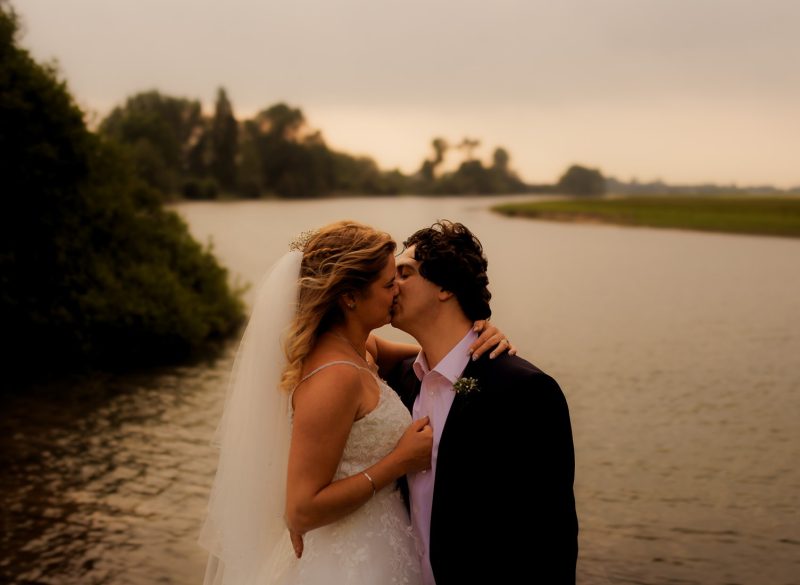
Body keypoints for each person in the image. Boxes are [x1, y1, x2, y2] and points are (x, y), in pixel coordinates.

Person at [199, 221, 511, 585]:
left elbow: (435, 360)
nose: (397, 291)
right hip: (349, 561)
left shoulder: (362, 350)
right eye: (387, 283)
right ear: (350, 297)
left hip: (386, 541)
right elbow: (300, 511)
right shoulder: (335, 376)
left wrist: (479, 335)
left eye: (400, 278)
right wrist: (398, 462)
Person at [387, 220, 579, 585]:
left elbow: (551, 538)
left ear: (445, 287)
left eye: (405, 273)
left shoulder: (526, 391)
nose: (390, 284)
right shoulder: (400, 379)